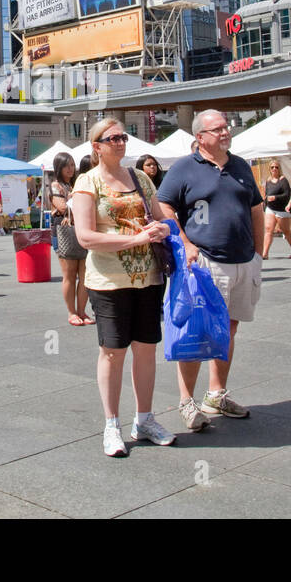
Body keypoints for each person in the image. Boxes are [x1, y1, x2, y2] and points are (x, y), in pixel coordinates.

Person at [72, 118, 175, 457]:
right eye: (111, 138)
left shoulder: (141, 177)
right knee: (113, 352)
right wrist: (136, 239)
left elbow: (161, 217)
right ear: (96, 146)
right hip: (108, 282)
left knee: (146, 348)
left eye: (123, 136)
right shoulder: (88, 182)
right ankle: (111, 424)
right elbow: (85, 237)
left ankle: (144, 419)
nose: (119, 142)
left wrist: (161, 229)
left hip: (148, 276)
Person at [157, 109, 264, 429]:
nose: (225, 132)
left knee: (229, 329)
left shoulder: (241, 165)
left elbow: (256, 209)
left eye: (226, 127)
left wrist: (259, 253)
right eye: (217, 129)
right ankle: (186, 401)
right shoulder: (184, 168)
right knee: (197, 331)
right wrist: (185, 243)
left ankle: (216, 394)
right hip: (205, 263)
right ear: (200, 137)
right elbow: (163, 206)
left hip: (243, 261)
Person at [49, 152, 90, 327]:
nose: (71, 169)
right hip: (64, 230)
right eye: (67, 166)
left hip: (80, 228)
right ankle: (72, 312)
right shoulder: (55, 185)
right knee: (70, 274)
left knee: (85, 274)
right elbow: (62, 206)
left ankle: (82, 310)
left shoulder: (75, 184)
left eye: (73, 165)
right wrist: (76, 199)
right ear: (59, 167)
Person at [262, 158, 291, 259]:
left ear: (279, 169)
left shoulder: (283, 180)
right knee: (268, 229)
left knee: (286, 230)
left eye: (276, 167)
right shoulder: (268, 181)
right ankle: (265, 253)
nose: (274, 169)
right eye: (272, 167)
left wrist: (275, 197)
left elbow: (286, 194)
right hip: (270, 208)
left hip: (281, 209)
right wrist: (265, 203)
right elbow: (266, 194)